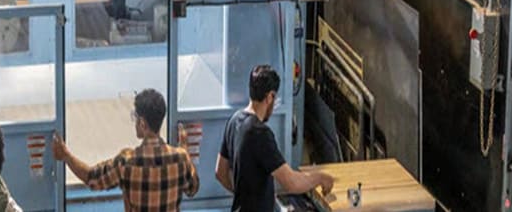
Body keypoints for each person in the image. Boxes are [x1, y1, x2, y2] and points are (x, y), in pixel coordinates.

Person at [53, 88, 199, 211]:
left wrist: (66, 156)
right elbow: (193, 189)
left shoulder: (126, 162)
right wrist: (185, 150)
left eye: (135, 117)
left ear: (142, 123)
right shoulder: (181, 158)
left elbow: (92, 178)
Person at [216, 65, 334, 211]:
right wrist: (321, 178)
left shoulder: (234, 121)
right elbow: (292, 183)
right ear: (270, 97)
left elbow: (220, 172)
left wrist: (242, 195)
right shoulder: (260, 133)